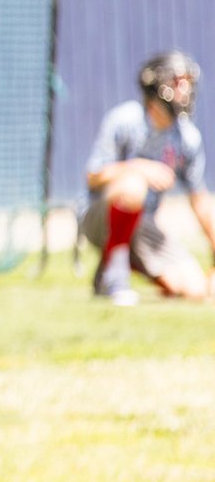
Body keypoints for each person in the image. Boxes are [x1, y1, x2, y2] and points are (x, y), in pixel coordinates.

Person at [81, 50, 215, 303]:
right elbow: (93, 176)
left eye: (188, 82)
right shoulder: (126, 119)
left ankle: (113, 266)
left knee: (195, 289)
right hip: (101, 217)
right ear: (156, 85)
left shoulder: (187, 137)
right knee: (133, 185)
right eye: (177, 82)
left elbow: (200, 199)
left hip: (144, 225)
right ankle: (116, 276)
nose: (185, 90)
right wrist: (138, 167)